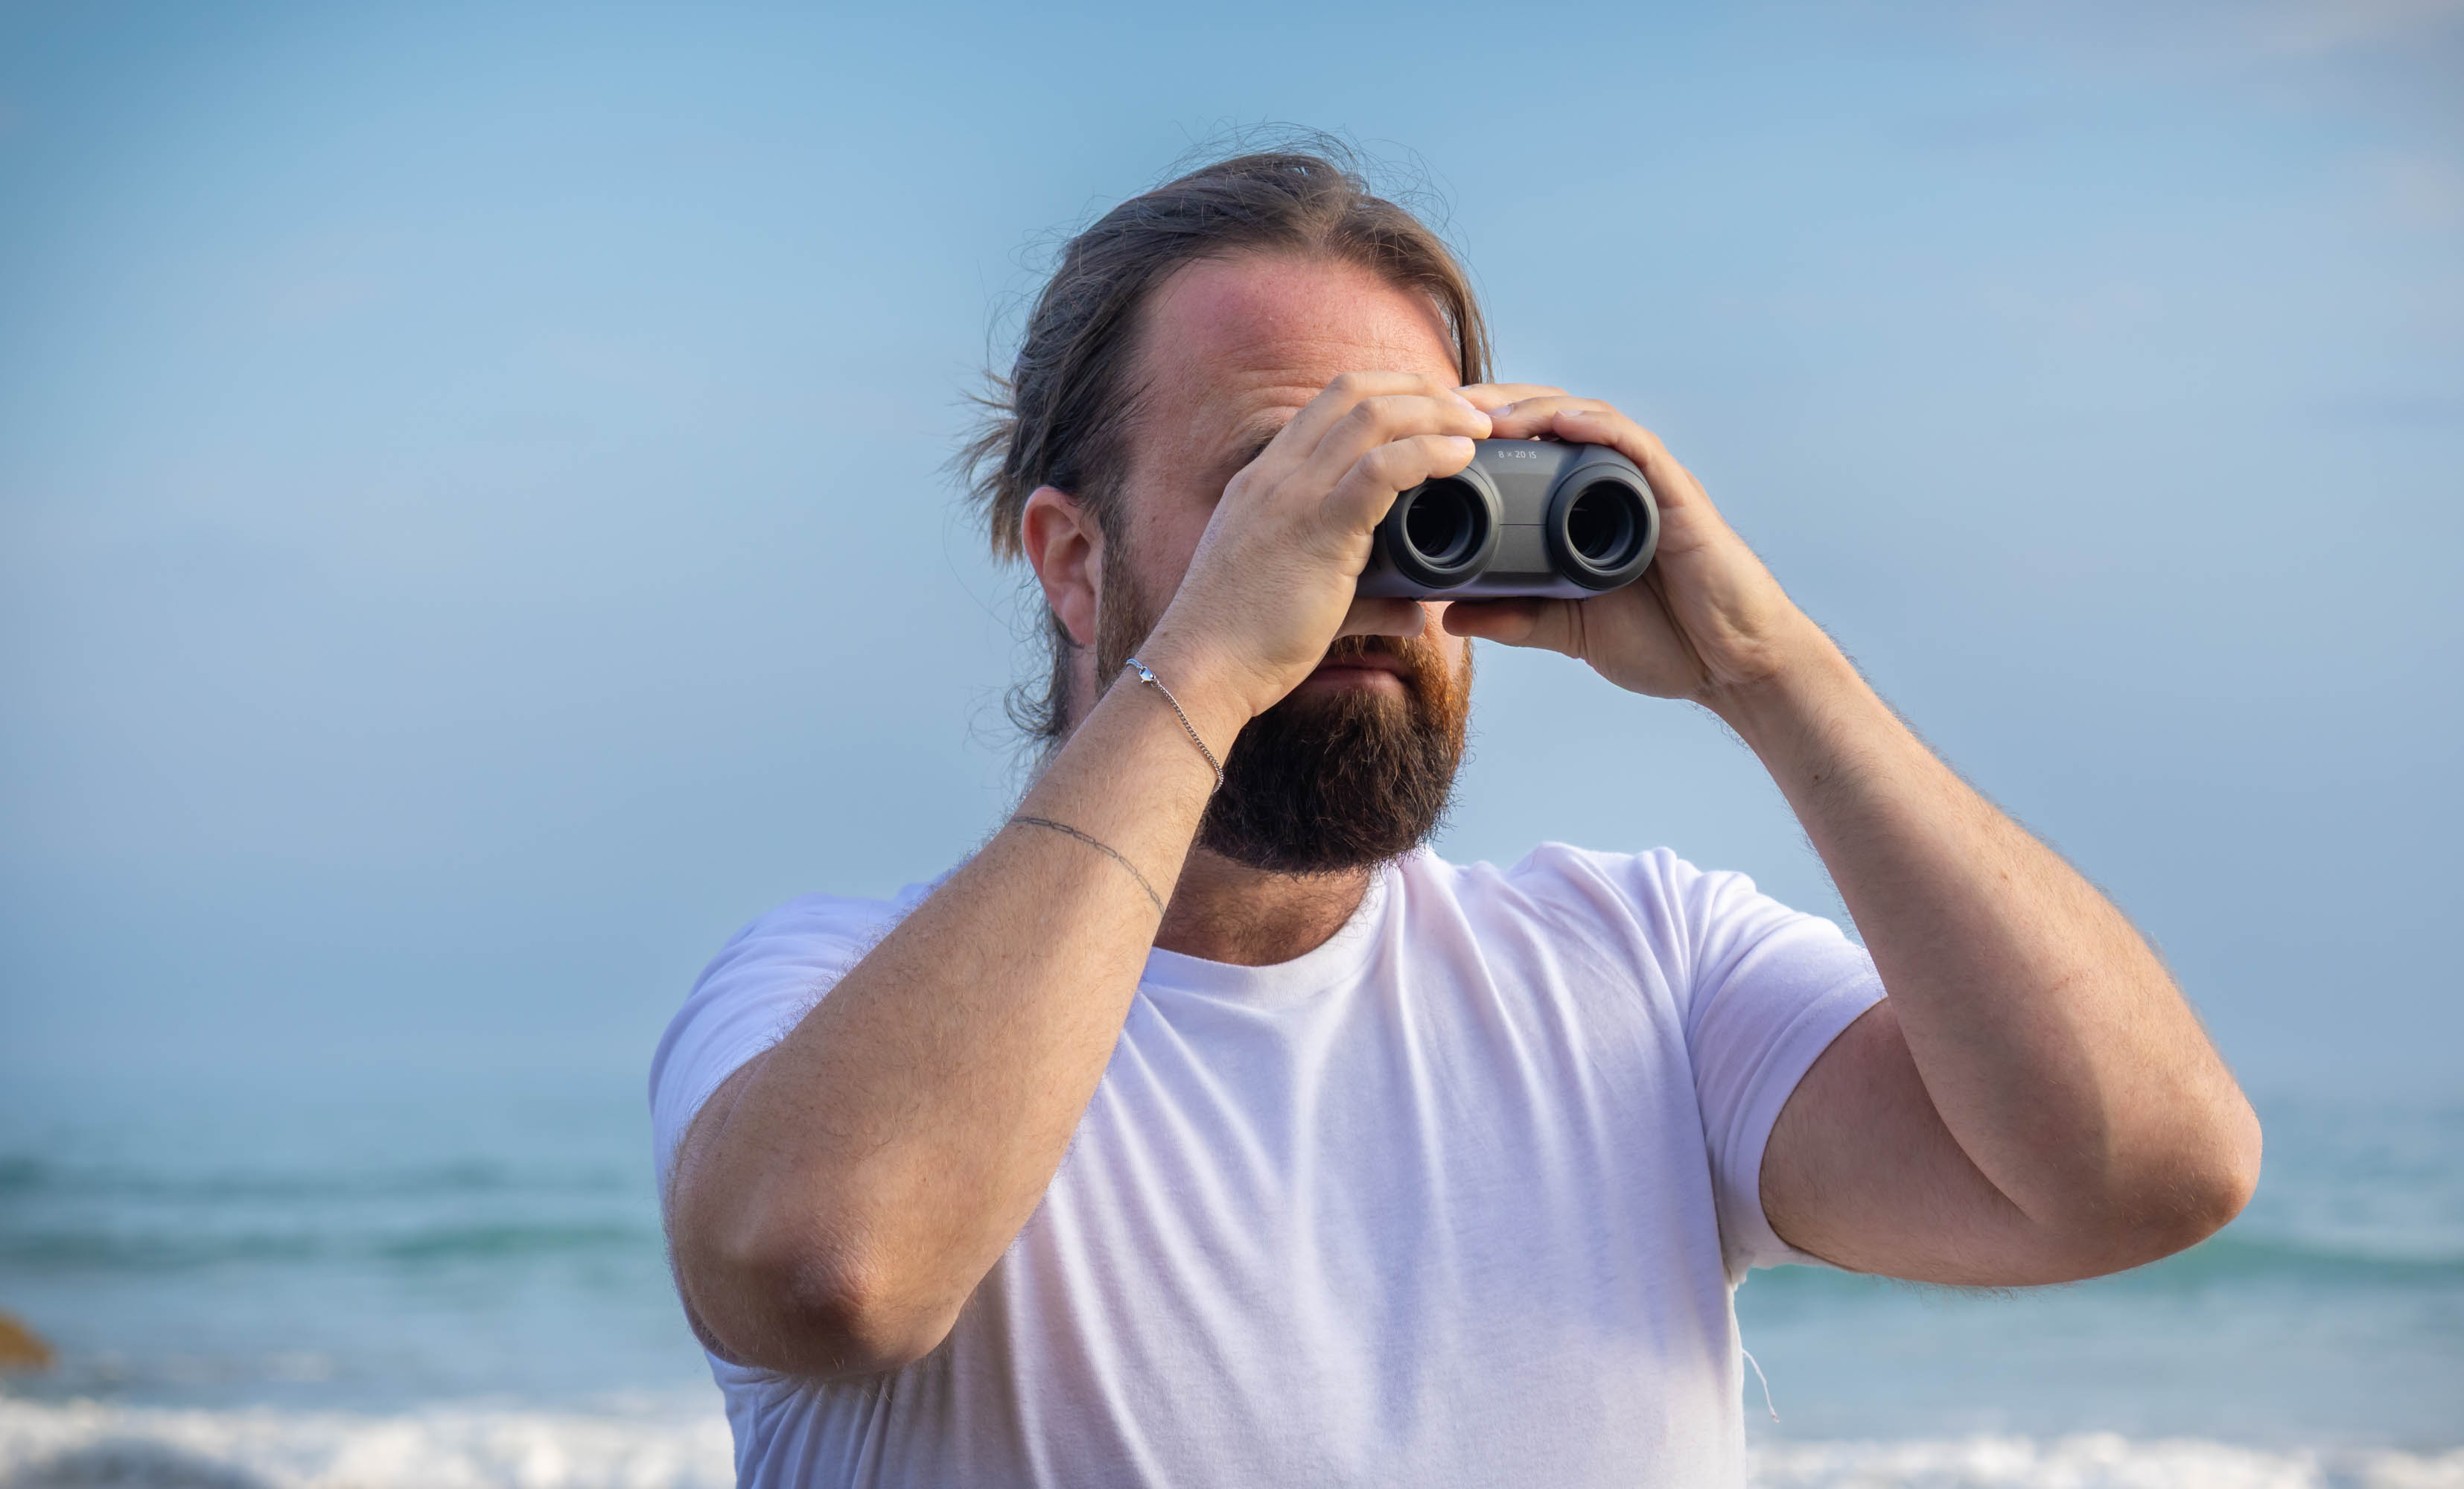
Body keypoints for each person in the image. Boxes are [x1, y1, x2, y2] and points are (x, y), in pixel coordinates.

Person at [647, 147, 2262, 1488]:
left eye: (1404, 492)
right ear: (1073, 563)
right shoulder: (822, 1000)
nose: (1359, 565)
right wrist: (1210, 661)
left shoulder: (1642, 972)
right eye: (1284, 484)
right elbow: (830, 1272)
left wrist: (1770, 670)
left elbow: (2142, 1171)